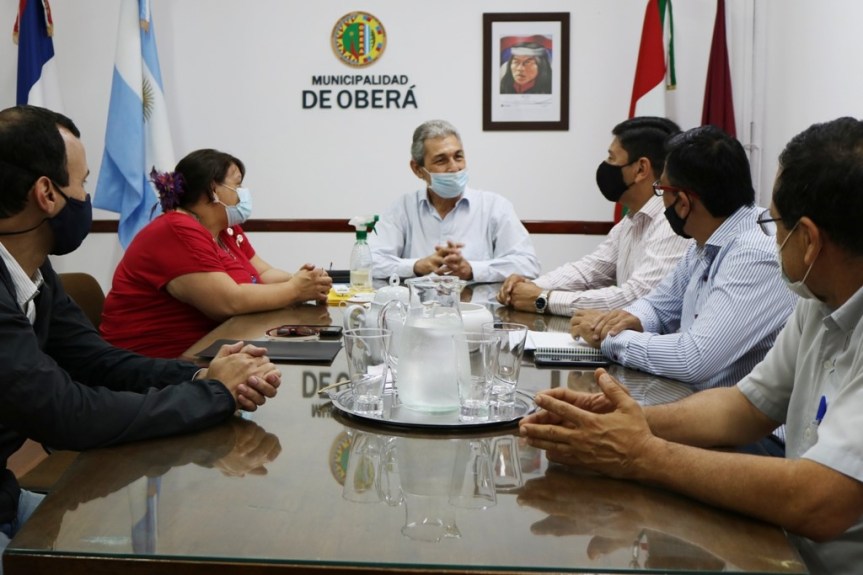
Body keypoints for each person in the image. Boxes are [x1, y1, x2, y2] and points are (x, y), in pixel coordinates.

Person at [520, 117, 863, 575]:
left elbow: (820, 501)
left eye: (775, 222)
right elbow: (745, 406)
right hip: (791, 547)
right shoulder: (816, 302)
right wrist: (619, 421)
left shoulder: (766, 263)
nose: (770, 235)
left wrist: (640, 452)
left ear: (809, 240)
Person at [0, 105, 280, 564]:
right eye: (83, 183)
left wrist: (201, 375)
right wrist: (212, 394)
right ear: (47, 194)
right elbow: (65, 413)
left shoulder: (35, 271)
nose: (87, 197)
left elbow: (97, 361)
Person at [571, 126, 797, 391]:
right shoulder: (706, 240)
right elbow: (658, 306)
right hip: (694, 402)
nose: (660, 198)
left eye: (661, 189)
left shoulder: (754, 256)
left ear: (683, 203)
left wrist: (609, 338)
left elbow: (693, 358)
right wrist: (626, 319)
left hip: (733, 415)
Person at [100, 149, 332, 359]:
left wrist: (307, 282)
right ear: (213, 190)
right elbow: (228, 302)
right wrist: (295, 290)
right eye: (237, 185)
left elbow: (262, 274)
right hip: (156, 366)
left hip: (212, 349)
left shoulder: (225, 229)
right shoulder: (176, 230)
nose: (243, 194)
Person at [498, 117, 690, 316]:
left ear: (641, 169)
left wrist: (543, 299)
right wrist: (529, 287)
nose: (606, 165)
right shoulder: (633, 219)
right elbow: (592, 270)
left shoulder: (672, 223)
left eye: (612, 158)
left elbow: (636, 298)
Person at [369, 119, 540, 282]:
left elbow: (528, 264)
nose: (454, 167)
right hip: (418, 302)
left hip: (479, 302)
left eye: (458, 157)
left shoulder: (495, 207)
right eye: (441, 160)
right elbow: (368, 262)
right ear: (417, 169)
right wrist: (417, 266)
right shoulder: (403, 209)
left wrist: (472, 270)